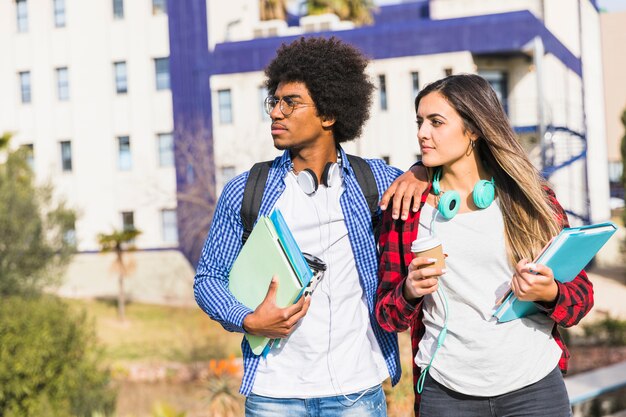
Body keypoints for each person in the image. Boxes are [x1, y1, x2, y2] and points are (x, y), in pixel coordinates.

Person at [194, 36, 427, 417]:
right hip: (274, 394)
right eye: (274, 101)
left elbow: (447, 179)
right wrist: (248, 319)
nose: (276, 113)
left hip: (356, 392)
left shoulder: (377, 182)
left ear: (329, 114)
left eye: (291, 102)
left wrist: (420, 172)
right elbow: (207, 279)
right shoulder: (245, 191)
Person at [375, 74, 594, 417]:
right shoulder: (407, 208)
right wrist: (409, 291)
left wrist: (548, 291)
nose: (422, 132)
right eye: (420, 121)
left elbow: (580, 297)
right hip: (446, 393)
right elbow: (388, 316)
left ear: (474, 129)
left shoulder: (529, 197)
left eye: (436, 122)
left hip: (534, 385)